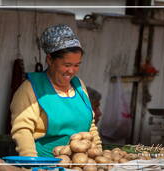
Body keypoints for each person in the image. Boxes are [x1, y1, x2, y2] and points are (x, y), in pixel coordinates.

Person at [10, 24, 102, 157]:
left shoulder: (79, 85)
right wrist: (31, 163)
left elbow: (90, 126)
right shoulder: (31, 88)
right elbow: (22, 131)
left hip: (79, 164)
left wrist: (98, 154)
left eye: (76, 65)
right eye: (67, 65)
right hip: (46, 165)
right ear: (49, 59)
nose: (71, 71)